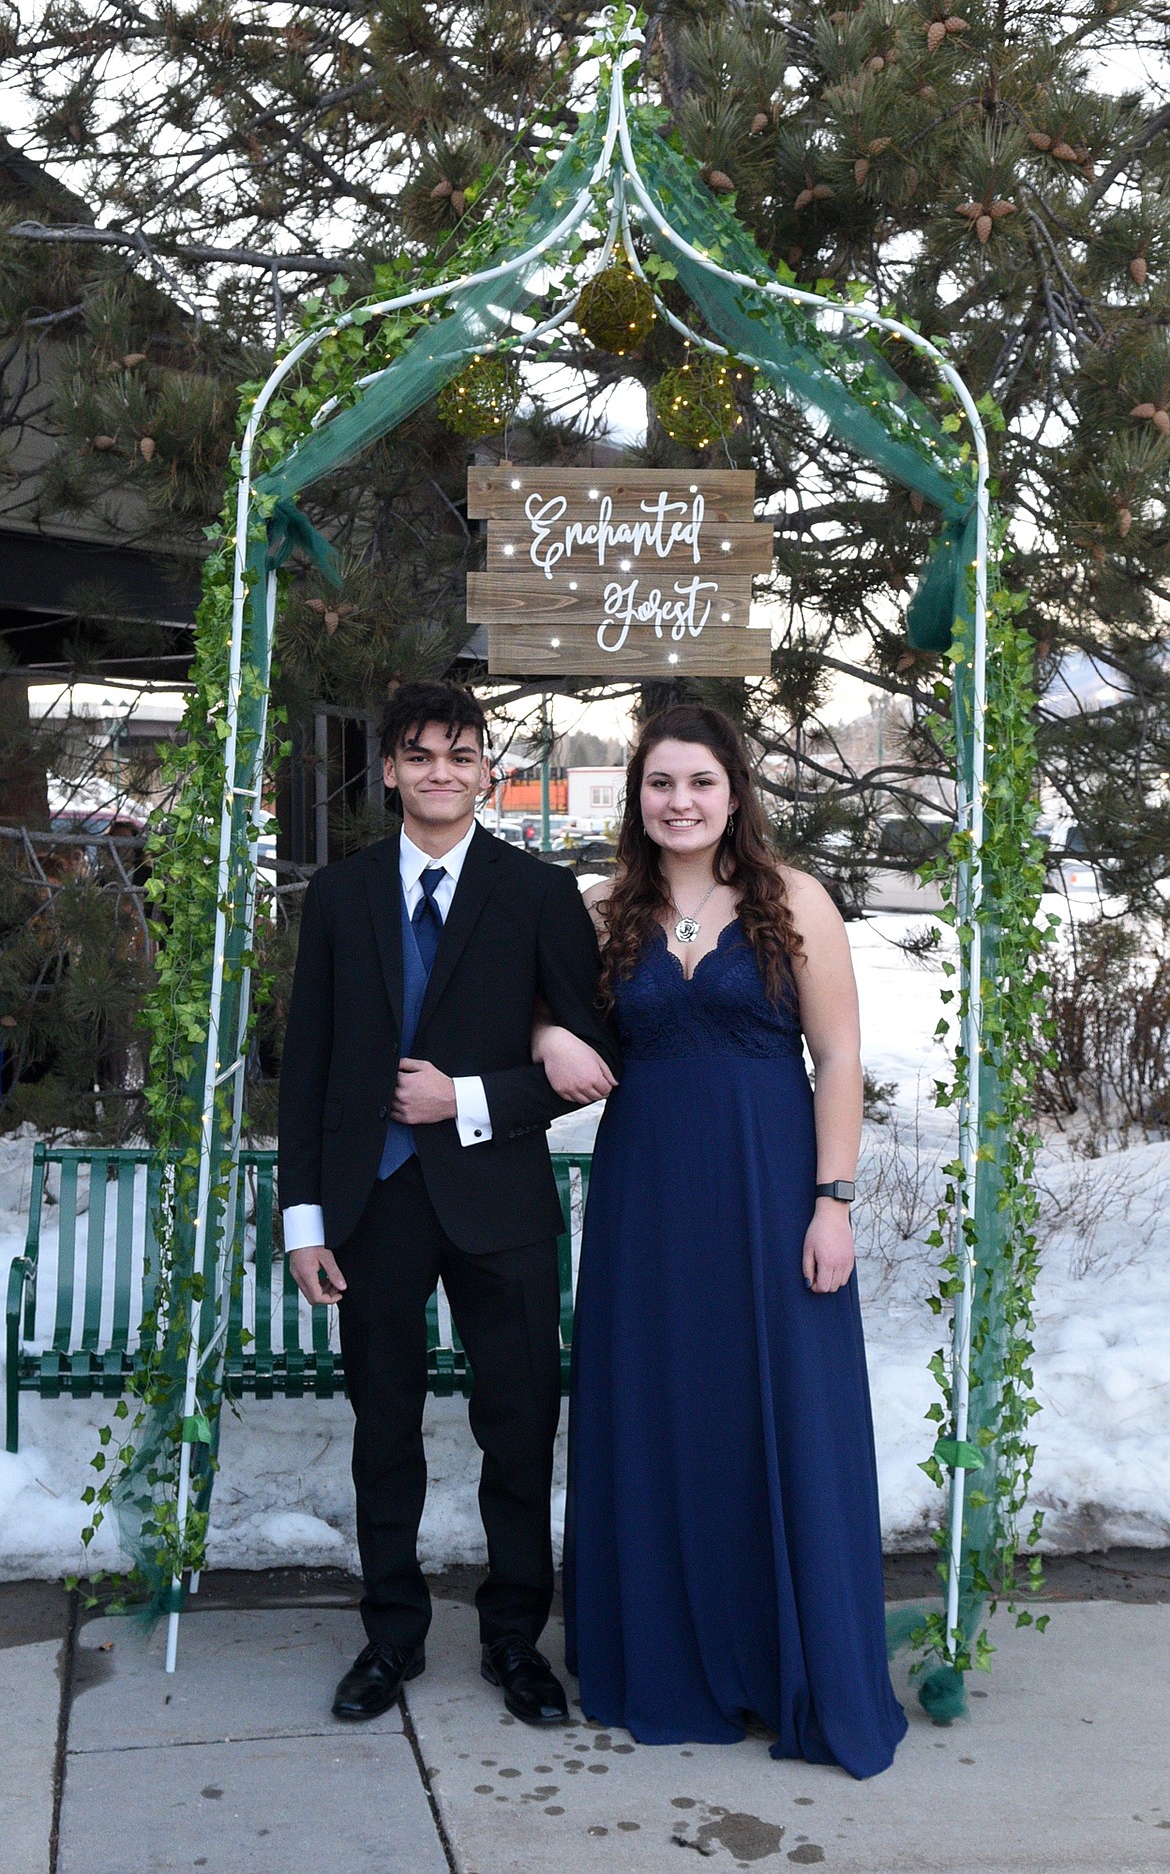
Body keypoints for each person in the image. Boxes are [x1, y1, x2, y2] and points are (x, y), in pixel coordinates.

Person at [536, 703, 908, 1779]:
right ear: (637, 798)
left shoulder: (795, 901)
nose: (681, 801)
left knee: (775, 1411)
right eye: (661, 784)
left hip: (771, 1189)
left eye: (700, 781)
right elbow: (535, 1016)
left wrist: (833, 1199)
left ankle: (784, 1660)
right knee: (660, 1409)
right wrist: (552, 1030)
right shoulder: (604, 909)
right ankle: (668, 1655)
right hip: (647, 1198)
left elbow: (838, 1061)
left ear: (734, 791)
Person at [278, 681, 618, 1727]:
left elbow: (599, 1056)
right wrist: (305, 1220)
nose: (440, 771)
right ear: (389, 770)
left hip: (498, 1198)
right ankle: (391, 1637)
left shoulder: (536, 893)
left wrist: (465, 1097)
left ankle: (516, 1641)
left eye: (460, 754)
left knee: (519, 1426)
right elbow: (309, 1067)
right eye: (418, 755)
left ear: (485, 770)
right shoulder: (339, 897)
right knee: (384, 1430)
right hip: (373, 1203)